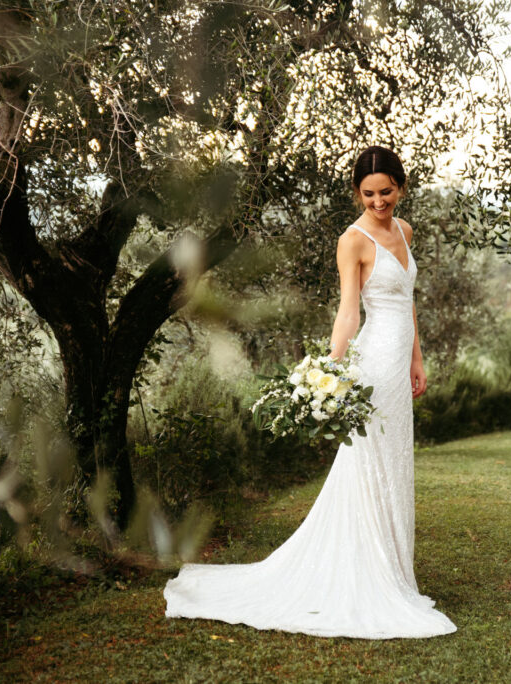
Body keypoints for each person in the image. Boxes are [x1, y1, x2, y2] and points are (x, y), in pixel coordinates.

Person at [163, 145, 457, 638]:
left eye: (386, 192)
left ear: (401, 188)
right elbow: (349, 312)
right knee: (367, 464)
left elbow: (407, 303)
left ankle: (394, 572)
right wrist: (328, 373)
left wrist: (417, 358)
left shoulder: (405, 232)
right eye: (368, 194)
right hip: (371, 366)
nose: (378, 201)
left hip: (398, 361)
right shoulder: (353, 240)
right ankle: (367, 573)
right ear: (356, 194)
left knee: (394, 462)